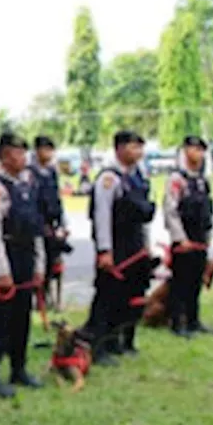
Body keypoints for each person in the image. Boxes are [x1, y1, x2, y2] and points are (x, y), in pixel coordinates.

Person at [0, 132, 48, 398]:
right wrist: (1, 272)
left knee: (21, 318)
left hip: (25, 256)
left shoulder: (26, 185)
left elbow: (35, 228)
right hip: (5, 257)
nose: (24, 157)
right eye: (18, 152)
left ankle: (19, 368)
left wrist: (39, 266)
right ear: (5, 155)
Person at [79, 131, 156, 364]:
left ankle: (118, 341)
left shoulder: (137, 177)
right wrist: (104, 250)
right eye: (134, 147)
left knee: (129, 296)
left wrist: (146, 245)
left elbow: (142, 216)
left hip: (134, 246)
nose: (139, 152)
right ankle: (98, 346)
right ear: (120, 149)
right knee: (107, 297)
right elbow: (101, 216)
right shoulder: (108, 179)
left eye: (141, 147)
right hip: (115, 245)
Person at [162, 136, 213, 337]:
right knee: (181, 282)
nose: (199, 154)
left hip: (200, 238)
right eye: (194, 149)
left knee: (196, 281)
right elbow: (171, 210)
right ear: (185, 151)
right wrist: (179, 238)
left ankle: (194, 320)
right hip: (184, 239)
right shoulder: (177, 179)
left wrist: (209, 234)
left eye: (202, 150)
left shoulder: (202, 180)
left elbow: (208, 209)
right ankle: (178, 322)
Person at [30, 136, 71, 310]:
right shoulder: (30, 173)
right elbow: (32, 201)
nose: (48, 154)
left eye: (50, 150)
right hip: (38, 224)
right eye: (45, 149)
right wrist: (40, 225)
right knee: (39, 262)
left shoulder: (52, 172)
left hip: (53, 223)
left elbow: (57, 200)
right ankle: (39, 298)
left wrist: (62, 223)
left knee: (53, 261)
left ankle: (49, 297)